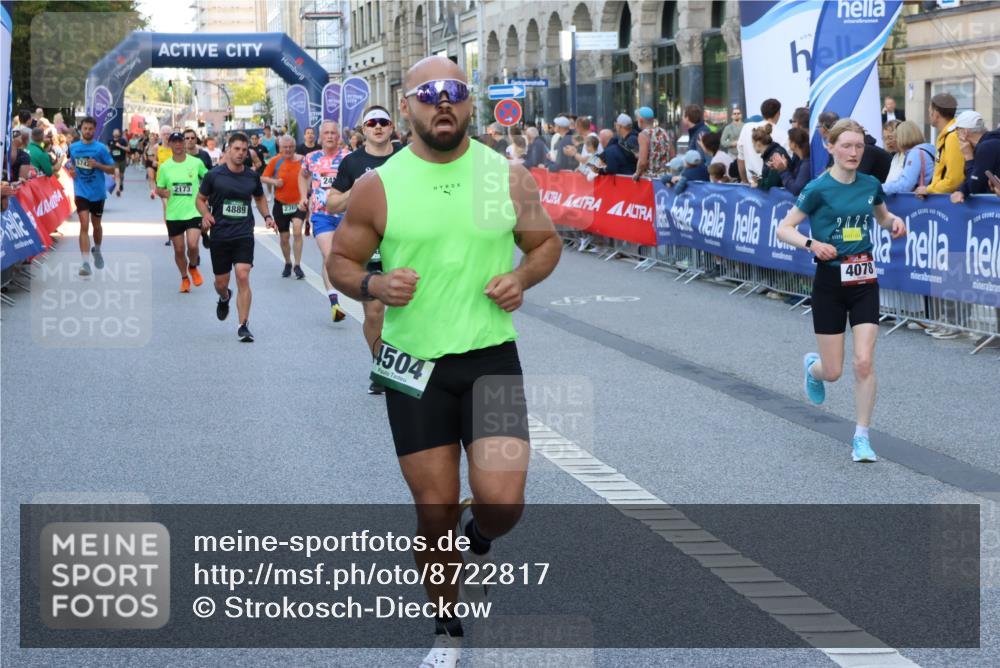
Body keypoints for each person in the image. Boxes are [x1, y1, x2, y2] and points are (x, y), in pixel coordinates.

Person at [328, 57, 561, 668]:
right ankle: (448, 627)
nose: (442, 104)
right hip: (411, 366)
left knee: (504, 502)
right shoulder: (379, 185)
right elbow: (342, 265)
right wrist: (374, 289)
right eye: (428, 94)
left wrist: (521, 278)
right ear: (405, 105)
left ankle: (480, 534)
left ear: (469, 103)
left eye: (454, 92)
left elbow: (545, 244)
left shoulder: (504, 175)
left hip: (492, 357)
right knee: (433, 511)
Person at [776, 119, 907, 463]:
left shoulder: (869, 184)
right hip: (830, 283)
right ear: (831, 148)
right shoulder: (818, 188)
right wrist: (811, 243)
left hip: (864, 279)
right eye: (846, 146)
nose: (853, 152)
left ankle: (862, 437)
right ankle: (813, 368)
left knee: (864, 362)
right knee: (833, 371)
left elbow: (882, 216)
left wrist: (894, 223)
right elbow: (784, 228)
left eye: (859, 146)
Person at [325, 106, 404, 394]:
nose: (378, 127)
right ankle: (381, 366)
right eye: (372, 123)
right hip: (369, 244)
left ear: (392, 126)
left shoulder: (408, 157)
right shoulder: (352, 163)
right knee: (374, 310)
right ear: (364, 129)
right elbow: (332, 204)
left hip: (405, 240)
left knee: (409, 306)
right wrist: (355, 191)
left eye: (384, 122)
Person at [196, 132, 275, 342]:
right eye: (236, 149)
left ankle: (243, 325)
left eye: (244, 149)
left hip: (243, 233)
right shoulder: (214, 175)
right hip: (220, 234)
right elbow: (201, 199)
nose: (240, 153)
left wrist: (267, 216)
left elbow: (259, 197)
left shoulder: (251, 176)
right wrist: (206, 214)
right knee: (221, 283)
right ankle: (224, 297)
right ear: (228, 150)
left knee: (242, 274)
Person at [298, 120, 352, 322]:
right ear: (320, 137)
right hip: (321, 214)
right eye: (326, 133)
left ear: (339, 136)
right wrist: (303, 196)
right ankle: (334, 303)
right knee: (329, 255)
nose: (329, 136)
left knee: (346, 256)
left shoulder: (348, 157)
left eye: (333, 133)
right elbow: (302, 176)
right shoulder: (311, 158)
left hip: (348, 214)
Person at [156, 132, 208, 293]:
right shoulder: (164, 167)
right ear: (170, 144)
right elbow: (159, 187)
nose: (178, 144)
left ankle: (193, 267)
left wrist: (206, 196)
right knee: (179, 249)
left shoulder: (196, 162)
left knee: (192, 245)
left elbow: (208, 178)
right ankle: (185, 278)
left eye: (181, 141)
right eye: (175, 142)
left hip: (193, 211)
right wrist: (162, 193)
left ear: (184, 144)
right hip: (174, 214)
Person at [65, 117, 117, 276]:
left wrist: (98, 165)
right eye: (85, 128)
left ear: (95, 130)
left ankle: (98, 249)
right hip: (81, 191)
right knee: (84, 224)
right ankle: (85, 263)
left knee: (96, 226)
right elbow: (69, 163)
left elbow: (112, 169)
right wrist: (71, 170)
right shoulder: (73, 147)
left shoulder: (100, 148)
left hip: (97, 193)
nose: (87, 131)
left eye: (90, 129)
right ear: (81, 129)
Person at [261, 135, 307, 279]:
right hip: (281, 204)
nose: (288, 150)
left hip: (298, 203)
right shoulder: (276, 161)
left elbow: (311, 176)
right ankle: (288, 262)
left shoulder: (303, 160)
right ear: (280, 148)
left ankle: (297, 265)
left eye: (290, 147)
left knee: (298, 230)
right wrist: (274, 182)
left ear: (295, 147)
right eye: (285, 147)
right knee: (285, 237)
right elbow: (263, 177)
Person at [916, 93, 964, 196]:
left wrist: (929, 189)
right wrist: (930, 189)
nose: (928, 115)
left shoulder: (952, 137)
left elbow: (954, 180)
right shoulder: (946, 135)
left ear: (936, 114)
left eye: (929, 112)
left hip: (951, 202)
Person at [950, 110, 1000, 203]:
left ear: (964, 132)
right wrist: (962, 190)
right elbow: (977, 175)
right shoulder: (991, 142)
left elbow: (975, 186)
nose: (957, 137)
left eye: (957, 133)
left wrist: (968, 157)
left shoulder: (986, 147)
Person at [737, 98, 788, 184]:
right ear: (778, 113)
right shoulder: (784, 135)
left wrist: (745, 182)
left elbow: (741, 159)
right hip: (773, 189)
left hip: (753, 185)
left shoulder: (746, 128)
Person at [882, 121, 935, 195]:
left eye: (896, 137)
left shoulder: (914, 154)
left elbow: (906, 185)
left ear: (903, 137)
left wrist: (880, 188)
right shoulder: (926, 150)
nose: (896, 140)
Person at [768, 127, 813, 196]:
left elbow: (796, 189)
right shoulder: (799, 159)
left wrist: (783, 170)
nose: (787, 142)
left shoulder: (806, 164)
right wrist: (781, 167)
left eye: (789, 140)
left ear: (794, 144)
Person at [633, 106, 671, 181]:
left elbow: (642, 162)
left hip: (651, 179)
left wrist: (637, 174)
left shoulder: (643, 135)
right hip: (665, 177)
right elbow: (672, 154)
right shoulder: (663, 131)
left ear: (640, 120)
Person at [749, 124, 790, 191]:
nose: (752, 146)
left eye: (753, 143)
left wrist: (758, 183)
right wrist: (759, 180)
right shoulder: (770, 153)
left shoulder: (775, 155)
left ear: (758, 143)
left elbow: (772, 183)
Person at [107, 128, 129, 195]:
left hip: (122, 160)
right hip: (114, 160)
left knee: (121, 174)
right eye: (114, 132)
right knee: (117, 173)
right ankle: (118, 189)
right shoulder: (110, 141)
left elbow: (128, 149)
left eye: (117, 132)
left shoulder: (123, 141)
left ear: (119, 133)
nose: (115, 133)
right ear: (113, 133)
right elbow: (109, 150)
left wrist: (120, 146)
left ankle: (121, 183)